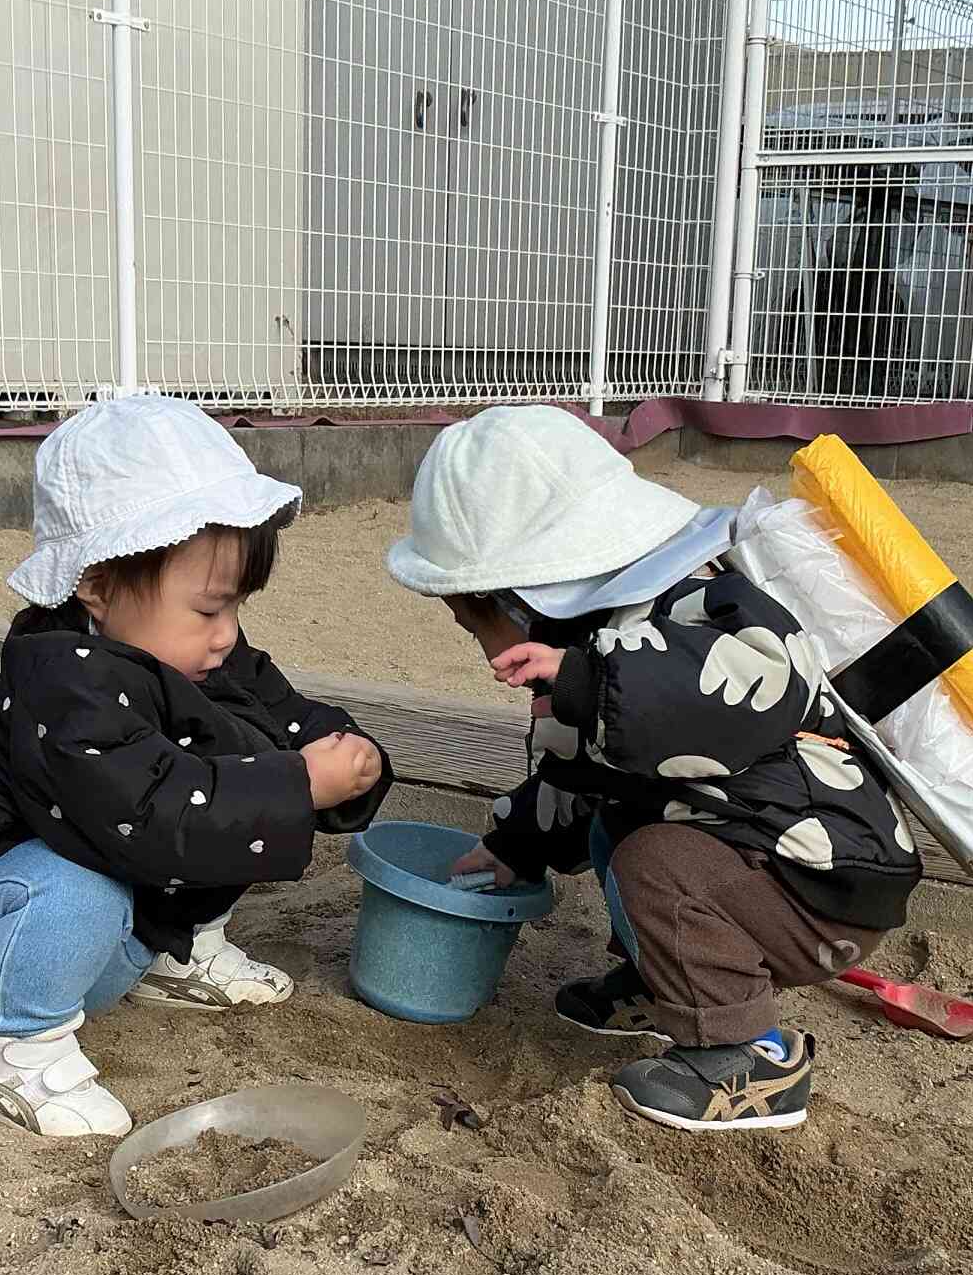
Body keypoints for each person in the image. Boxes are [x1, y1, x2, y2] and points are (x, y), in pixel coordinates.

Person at [0, 397, 389, 1138]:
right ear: (98, 586)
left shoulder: (193, 651)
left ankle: (179, 956)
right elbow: (151, 812)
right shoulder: (63, 687)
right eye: (208, 610)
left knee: (241, 769)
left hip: (117, 940)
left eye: (236, 607)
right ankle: (10, 1043)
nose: (226, 635)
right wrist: (297, 783)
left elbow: (279, 715)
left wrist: (345, 757)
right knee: (113, 861)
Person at [386, 406, 920, 1132]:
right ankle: (666, 984)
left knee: (656, 863)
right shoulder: (601, 644)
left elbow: (764, 686)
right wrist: (514, 846)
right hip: (762, 860)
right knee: (619, 827)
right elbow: (581, 778)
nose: (486, 651)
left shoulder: (700, 599)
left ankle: (746, 1056)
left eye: (479, 623)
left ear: (524, 592)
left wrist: (589, 683)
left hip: (820, 879)